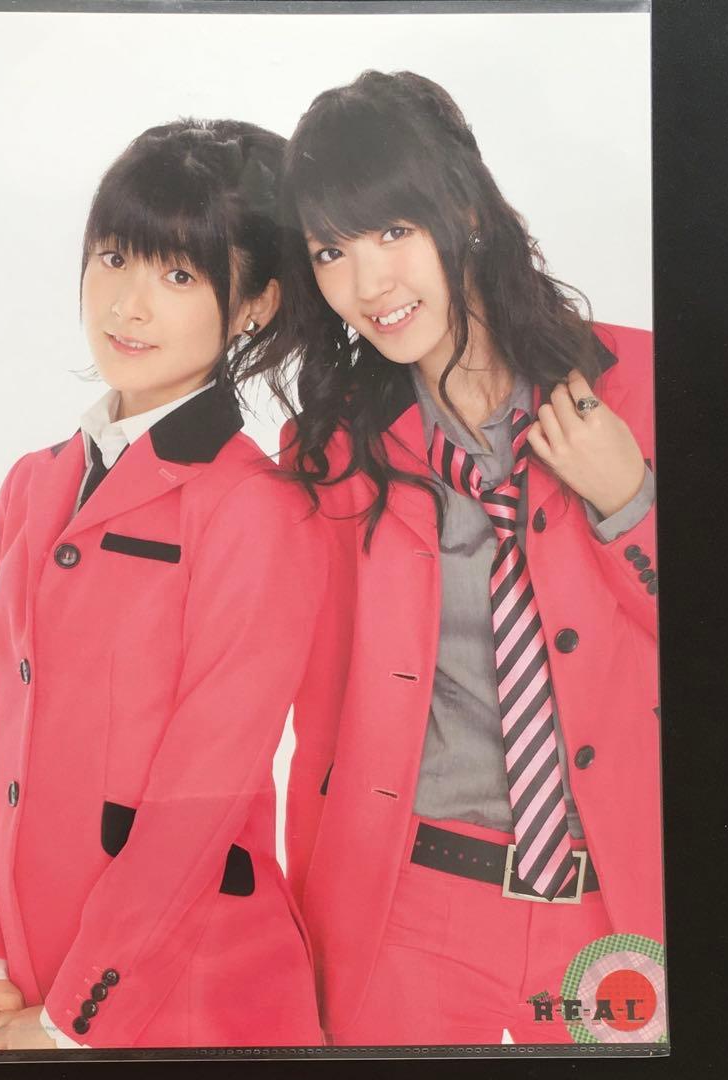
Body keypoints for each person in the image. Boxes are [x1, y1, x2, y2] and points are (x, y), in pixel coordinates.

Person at [256, 70, 663, 1045]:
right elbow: (280, 700)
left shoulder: (646, 383)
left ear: (468, 210)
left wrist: (629, 504)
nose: (369, 285)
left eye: (394, 230)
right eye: (332, 251)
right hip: (407, 916)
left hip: (619, 916)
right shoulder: (327, 454)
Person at [0, 119, 325, 1051]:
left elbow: (201, 802)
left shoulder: (257, 507)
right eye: (114, 258)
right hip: (10, 980)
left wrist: (72, 1021)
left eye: (178, 276)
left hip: (186, 999)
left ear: (254, 303)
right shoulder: (32, 483)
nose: (128, 306)